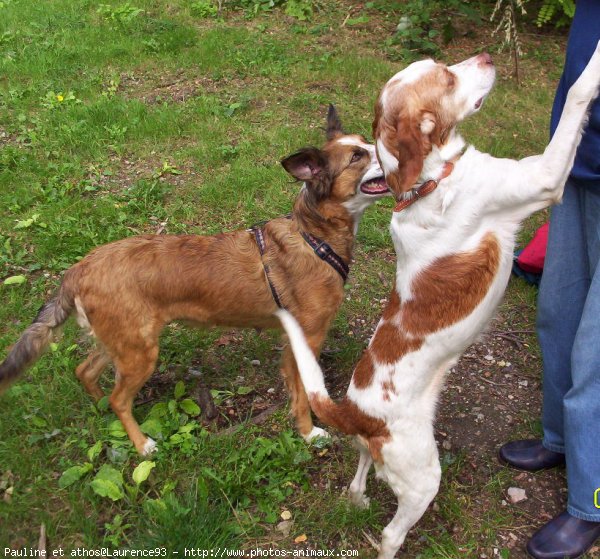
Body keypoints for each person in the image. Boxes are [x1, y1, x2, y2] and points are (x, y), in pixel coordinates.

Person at [498, 2, 600, 558]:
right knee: (558, 314)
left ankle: (592, 500)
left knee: (597, 355)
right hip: (581, 168)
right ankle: (561, 439)